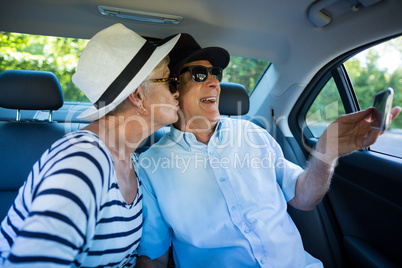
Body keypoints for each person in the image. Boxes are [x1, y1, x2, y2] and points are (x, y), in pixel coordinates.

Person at [135, 33, 401, 267]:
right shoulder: (150, 167)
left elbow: (303, 198)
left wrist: (327, 152)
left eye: (215, 73)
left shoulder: (253, 133)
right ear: (173, 89)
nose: (214, 83)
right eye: (199, 75)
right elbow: (154, 258)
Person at [0, 23, 181, 267]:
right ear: (138, 96)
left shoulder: (132, 163)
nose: (178, 91)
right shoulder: (82, 160)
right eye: (170, 80)